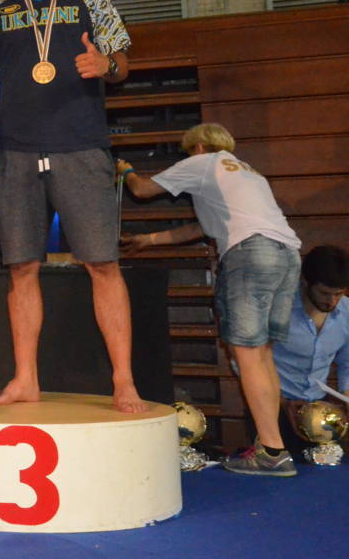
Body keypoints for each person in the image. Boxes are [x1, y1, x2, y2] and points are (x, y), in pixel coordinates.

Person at [0, 0, 147, 413]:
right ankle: (26, 378)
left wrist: (105, 65)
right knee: (21, 268)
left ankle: (124, 381)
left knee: (103, 264)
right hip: (15, 150)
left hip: (81, 145)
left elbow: (123, 64)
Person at [118, 122, 303, 475]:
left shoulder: (203, 162)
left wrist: (125, 170)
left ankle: (271, 451)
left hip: (249, 253)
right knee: (263, 354)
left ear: (199, 147)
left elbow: (141, 190)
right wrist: (149, 240)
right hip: (286, 254)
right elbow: (203, 227)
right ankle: (273, 445)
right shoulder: (247, 172)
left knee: (246, 354)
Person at [273, 246, 349, 458]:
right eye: (324, 293)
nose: (332, 301)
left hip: (318, 408)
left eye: (339, 294)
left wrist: (346, 398)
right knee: (280, 471)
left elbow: (348, 364)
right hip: (273, 405)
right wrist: (280, 401)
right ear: (306, 282)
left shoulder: (347, 312)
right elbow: (250, 361)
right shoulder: (277, 308)